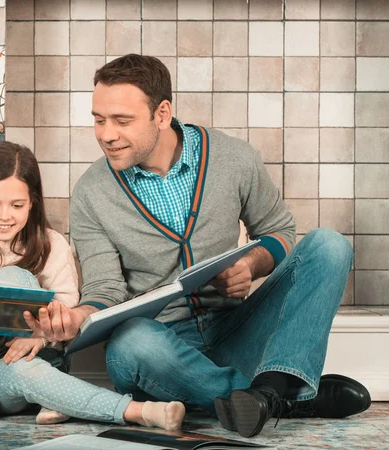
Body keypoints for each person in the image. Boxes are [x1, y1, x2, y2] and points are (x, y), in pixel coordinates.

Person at [28, 54, 371, 438]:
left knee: (329, 245)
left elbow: (279, 232)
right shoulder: (91, 192)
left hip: (236, 326)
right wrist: (77, 318)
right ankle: (279, 395)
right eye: (98, 119)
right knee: (130, 343)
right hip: (162, 348)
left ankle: (253, 396)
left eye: (122, 121)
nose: (106, 134)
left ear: (162, 113)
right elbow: (106, 289)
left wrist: (252, 265)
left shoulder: (233, 157)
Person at [0, 142, 186, 430]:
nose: (4, 216)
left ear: (33, 202)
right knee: (15, 373)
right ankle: (56, 397)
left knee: (13, 278)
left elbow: (66, 316)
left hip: (39, 354)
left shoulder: (52, 245)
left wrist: (40, 334)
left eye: (17, 205)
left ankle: (139, 412)